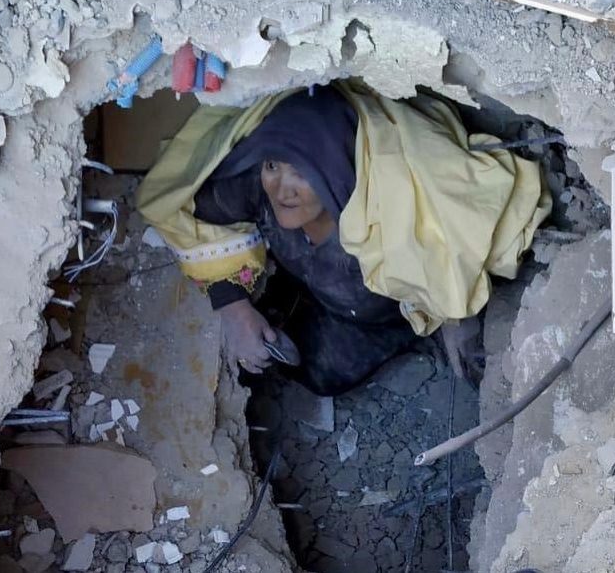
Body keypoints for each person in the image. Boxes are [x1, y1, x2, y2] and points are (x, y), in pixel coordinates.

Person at [137, 81, 551, 396]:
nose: (282, 188)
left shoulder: (392, 214)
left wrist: (454, 320)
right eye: (273, 166)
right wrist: (234, 308)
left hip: (383, 316)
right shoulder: (256, 187)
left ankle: (414, 335)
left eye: (302, 174)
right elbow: (201, 216)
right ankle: (283, 305)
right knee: (307, 369)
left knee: (334, 370)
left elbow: (452, 256)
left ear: (335, 172)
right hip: (323, 300)